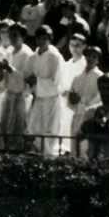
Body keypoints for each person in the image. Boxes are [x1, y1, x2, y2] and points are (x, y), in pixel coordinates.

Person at [25, 26, 65, 155]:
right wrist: (31, 85)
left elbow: (57, 82)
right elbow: (27, 76)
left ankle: (49, 158)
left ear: (50, 39)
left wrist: (37, 81)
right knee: (34, 128)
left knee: (49, 130)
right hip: (38, 98)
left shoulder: (55, 57)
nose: (41, 41)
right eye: (39, 38)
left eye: (45, 39)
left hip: (51, 99)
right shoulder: (32, 57)